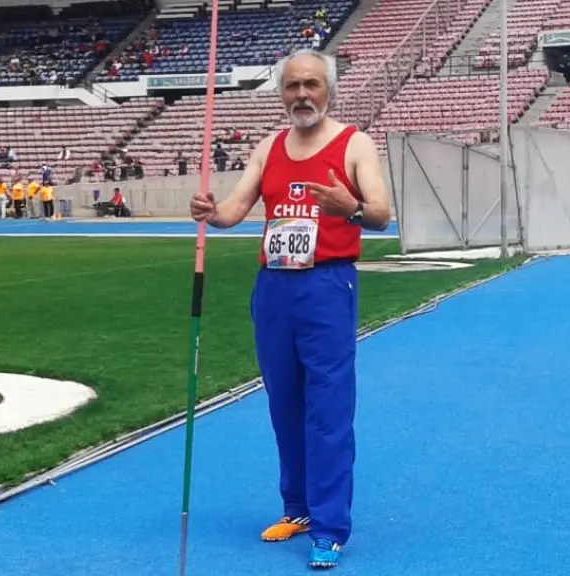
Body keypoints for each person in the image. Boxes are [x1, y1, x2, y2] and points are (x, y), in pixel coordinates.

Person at [189, 48, 391, 570]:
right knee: (285, 404)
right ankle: (297, 509)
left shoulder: (355, 145)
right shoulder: (268, 147)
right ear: (281, 93)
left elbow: (382, 215)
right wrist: (213, 212)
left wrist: (352, 209)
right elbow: (235, 210)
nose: (302, 95)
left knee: (328, 409)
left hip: (327, 287)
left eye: (312, 85)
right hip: (275, 288)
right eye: (292, 86)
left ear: (330, 90)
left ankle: (329, 528)